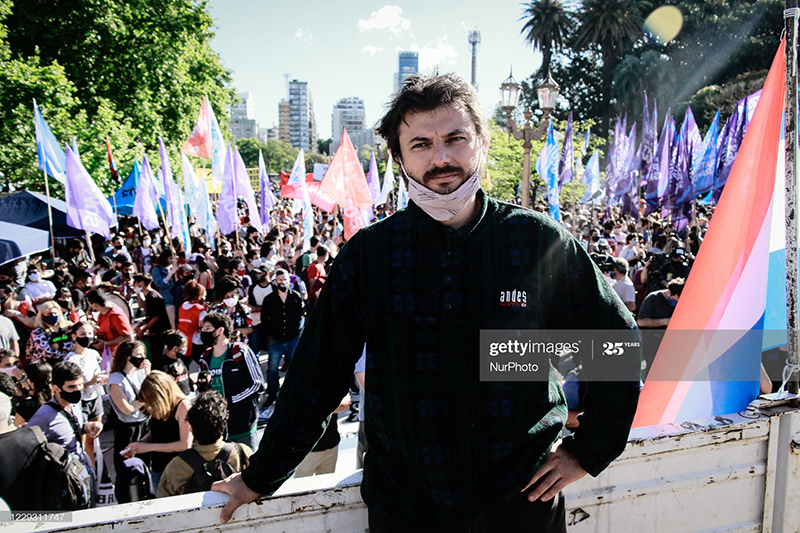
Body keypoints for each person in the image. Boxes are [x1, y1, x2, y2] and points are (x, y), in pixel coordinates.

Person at [213, 73, 640, 530]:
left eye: (455, 139)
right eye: (421, 144)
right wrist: (260, 476)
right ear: (399, 157)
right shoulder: (368, 256)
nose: (440, 158)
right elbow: (317, 375)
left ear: (481, 142)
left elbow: (615, 343)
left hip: (522, 503)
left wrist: (588, 451)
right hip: (406, 509)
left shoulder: (538, 241)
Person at [157, 391, 253, 497]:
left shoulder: (176, 466)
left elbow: (162, 501)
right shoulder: (242, 453)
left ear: (191, 428)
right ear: (224, 423)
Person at [198, 312, 264, 452]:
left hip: (242, 427)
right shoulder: (205, 357)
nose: (203, 332)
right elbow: (201, 389)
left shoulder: (240, 351)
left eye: (207, 328)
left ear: (220, 330)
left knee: (247, 462)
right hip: (217, 430)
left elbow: (257, 384)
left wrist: (230, 401)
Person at [27, 361, 102, 474]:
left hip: (82, 467)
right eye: (71, 387)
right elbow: (27, 446)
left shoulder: (75, 403)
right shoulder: (44, 416)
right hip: (63, 475)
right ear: (56, 388)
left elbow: (73, 429)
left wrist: (88, 427)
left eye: (80, 385)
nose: (78, 389)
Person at [122, 370, 192, 489]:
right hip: (157, 467)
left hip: (178, 469)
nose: (149, 407)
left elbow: (185, 444)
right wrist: (139, 444)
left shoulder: (183, 406)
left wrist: (149, 447)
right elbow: (155, 433)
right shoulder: (159, 406)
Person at [260, 268, 304, 407]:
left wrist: (298, 334)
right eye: (280, 280)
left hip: (292, 338)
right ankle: (272, 395)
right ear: (275, 282)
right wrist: (269, 337)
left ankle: (294, 394)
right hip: (276, 340)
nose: (283, 282)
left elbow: (301, 316)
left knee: (295, 367)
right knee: (272, 370)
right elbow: (264, 319)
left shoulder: (295, 296)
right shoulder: (269, 299)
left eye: (285, 280)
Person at [66, 321, 106, 460]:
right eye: (82, 334)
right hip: (81, 402)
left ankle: (97, 466)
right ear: (74, 336)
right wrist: (91, 382)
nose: (87, 337)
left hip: (96, 397)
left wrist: (102, 379)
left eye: (90, 333)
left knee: (94, 437)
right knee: (83, 440)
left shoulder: (93, 354)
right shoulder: (71, 359)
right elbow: (72, 385)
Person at [107, 340, 150, 470]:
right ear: (127, 357)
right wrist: (146, 399)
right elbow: (127, 409)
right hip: (128, 429)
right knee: (128, 466)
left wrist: (148, 373)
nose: (142, 358)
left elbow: (153, 390)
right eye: (139, 355)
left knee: (145, 464)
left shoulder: (140, 372)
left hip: (145, 423)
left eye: (143, 354)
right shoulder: (116, 380)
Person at [133, 274, 171, 368]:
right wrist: (140, 324)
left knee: (157, 358)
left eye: (135, 283)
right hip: (156, 331)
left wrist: (142, 330)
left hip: (159, 332)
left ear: (141, 283)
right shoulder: (149, 296)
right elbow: (149, 314)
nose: (133, 285)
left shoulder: (153, 297)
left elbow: (155, 317)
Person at [87, 289, 134, 356]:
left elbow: (128, 337)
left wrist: (106, 343)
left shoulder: (115, 315)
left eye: (89, 304)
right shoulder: (102, 313)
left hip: (118, 355)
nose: (89, 307)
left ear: (94, 304)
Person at [177, 280, 207, 362]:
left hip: (183, 340)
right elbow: (204, 327)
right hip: (196, 342)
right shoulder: (200, 310)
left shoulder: (183, 306)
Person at [161, 331, 193, 395]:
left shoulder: (179, 360)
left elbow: (185, 375)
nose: (186, 349)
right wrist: (175, 373)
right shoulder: (163, 364)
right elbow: (163, 384)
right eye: (183, 347)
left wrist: (192, 384)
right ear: (175, 348)